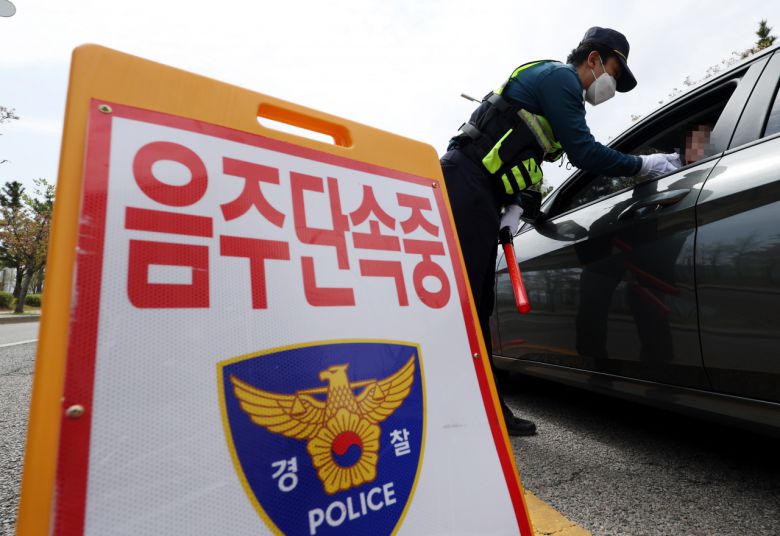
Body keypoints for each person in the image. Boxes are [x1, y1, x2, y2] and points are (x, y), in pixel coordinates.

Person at [440, 27, 681, 436]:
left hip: (481, 191)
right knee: (467, 300)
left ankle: (482, 405)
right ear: (594, 59)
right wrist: (645, 165)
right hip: (466, 183)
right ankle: (473, 409)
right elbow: (584, 152)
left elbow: (523, 160)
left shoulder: (553, 94)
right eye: (614, 72)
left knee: (478, 299)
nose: (612, 84)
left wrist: (516, 206)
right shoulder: (561, 79)